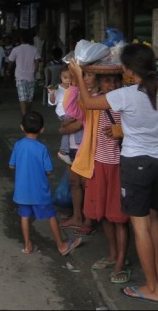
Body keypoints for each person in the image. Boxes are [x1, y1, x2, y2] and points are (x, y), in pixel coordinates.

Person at [69, 44, 158, 305]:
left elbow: (88, 103)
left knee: (140, 224)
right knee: (155, 220)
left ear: (130, 70)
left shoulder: (126, 95)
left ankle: (153, 287)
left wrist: (77, 74)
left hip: (136, 163)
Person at [80, 72, 131, 285]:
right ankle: (112, 255)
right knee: (104, 215)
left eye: (115, 80)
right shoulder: (95, 103)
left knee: (119, 217)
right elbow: (76, 106)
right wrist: (77, 78)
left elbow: (142, 128)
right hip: (99, 164)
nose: (112, 84)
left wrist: (121, 130)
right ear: (100, 83)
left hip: (121, 165)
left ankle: (121, 260)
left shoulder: (127, 101)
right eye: (107, 80)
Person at [9, 111, 82, 257]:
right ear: (42, 129)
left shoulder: (18, 145)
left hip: (22, 192)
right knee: (51, 216)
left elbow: (12, 165)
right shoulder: (42, 149)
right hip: (39, 192)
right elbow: (48, 170)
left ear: (21, 127)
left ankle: (28, 245)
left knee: (24, 216)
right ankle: (61, 246)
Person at [58, 70, 95, 236]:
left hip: (85, 146)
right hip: (71, 145)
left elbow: (77, 123)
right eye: (83, 75)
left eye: (88, 75)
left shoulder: (95, 97)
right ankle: (77, 216)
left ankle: (89, 218)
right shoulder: (76, 93)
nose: (84, 78)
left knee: (86, 184)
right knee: (74, 182)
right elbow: (66, 116)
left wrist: (63, 129)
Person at [7, 31, 42, 117]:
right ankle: (27, 114)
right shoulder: (34, 49)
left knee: (22, 98)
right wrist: (34, 72)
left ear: (21, 39)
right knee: (29, 98)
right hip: (31, 76)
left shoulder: (16, 49)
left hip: (20, 77)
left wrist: (8, 70)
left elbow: (10, 62)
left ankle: (25, 116)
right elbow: (37, 63)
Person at [47, 67, 76, 165]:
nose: (68, 80)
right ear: (60, 77)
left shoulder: (75, 87)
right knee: (68, 126)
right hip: (63, 113)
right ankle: (63, 150)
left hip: (73, 112)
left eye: (70, 77)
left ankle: (74, 146)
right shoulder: (56, 88)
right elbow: (52, 103)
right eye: (65, 77)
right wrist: (51, 94)